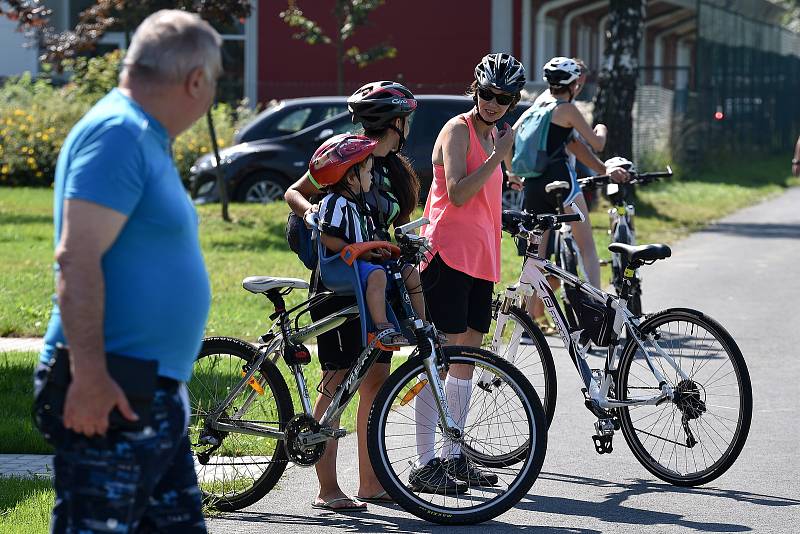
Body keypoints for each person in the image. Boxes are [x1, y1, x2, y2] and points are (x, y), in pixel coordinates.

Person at [33, 10, 220, 532]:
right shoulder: (118, 131)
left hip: (144, 390)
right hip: (110, 386)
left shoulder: (142, 134)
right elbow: (76, 256)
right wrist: (90, 376)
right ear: (195, 80)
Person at [284, 80, 420, 510]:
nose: (407, 127)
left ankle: (370, 482)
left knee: (375, 383)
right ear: (393, 122)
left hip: (375, 280)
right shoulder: (345, 156)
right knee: (337, 380)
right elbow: (296, 191)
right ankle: (327, 489)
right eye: (405, 120)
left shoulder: (391, 168)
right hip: (341, 284)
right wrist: (317, 219)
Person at [411, 53, 526, 493]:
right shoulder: (458, 129)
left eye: (504, 97)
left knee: (465, 364)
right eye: (488, 93)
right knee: (437, 363)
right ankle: (424, 464)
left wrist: (505, 171)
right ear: (475, 88)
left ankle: (453, 457)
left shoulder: (494, 133)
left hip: (481, 258)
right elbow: (457, 193)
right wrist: (498, 158)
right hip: (448, 256)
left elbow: (485, 196)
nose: (494, 103)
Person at [509, 57, 627, 334]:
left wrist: (511, 173)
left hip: (534, 185)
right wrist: (602, 128)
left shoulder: (537, 107)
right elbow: (595, 143)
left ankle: (526, 322)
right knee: (586, 244)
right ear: (574, 84)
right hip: (561, 181)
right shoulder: (568, 109)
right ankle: (598, 307)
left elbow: (510, 140)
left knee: (534, 257)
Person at [310, 133, 427, 348]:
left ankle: (422, 325)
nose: (372, 177)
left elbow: (371, 236)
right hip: (344, 264)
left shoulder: (361, 205)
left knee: (410, 273)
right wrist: (354, 251)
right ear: (351, 178)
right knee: (378, 274)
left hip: (365, 261)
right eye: (367, 171)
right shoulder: (334, 202)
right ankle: (381, 328)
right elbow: (327, 236)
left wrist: (381, 249)